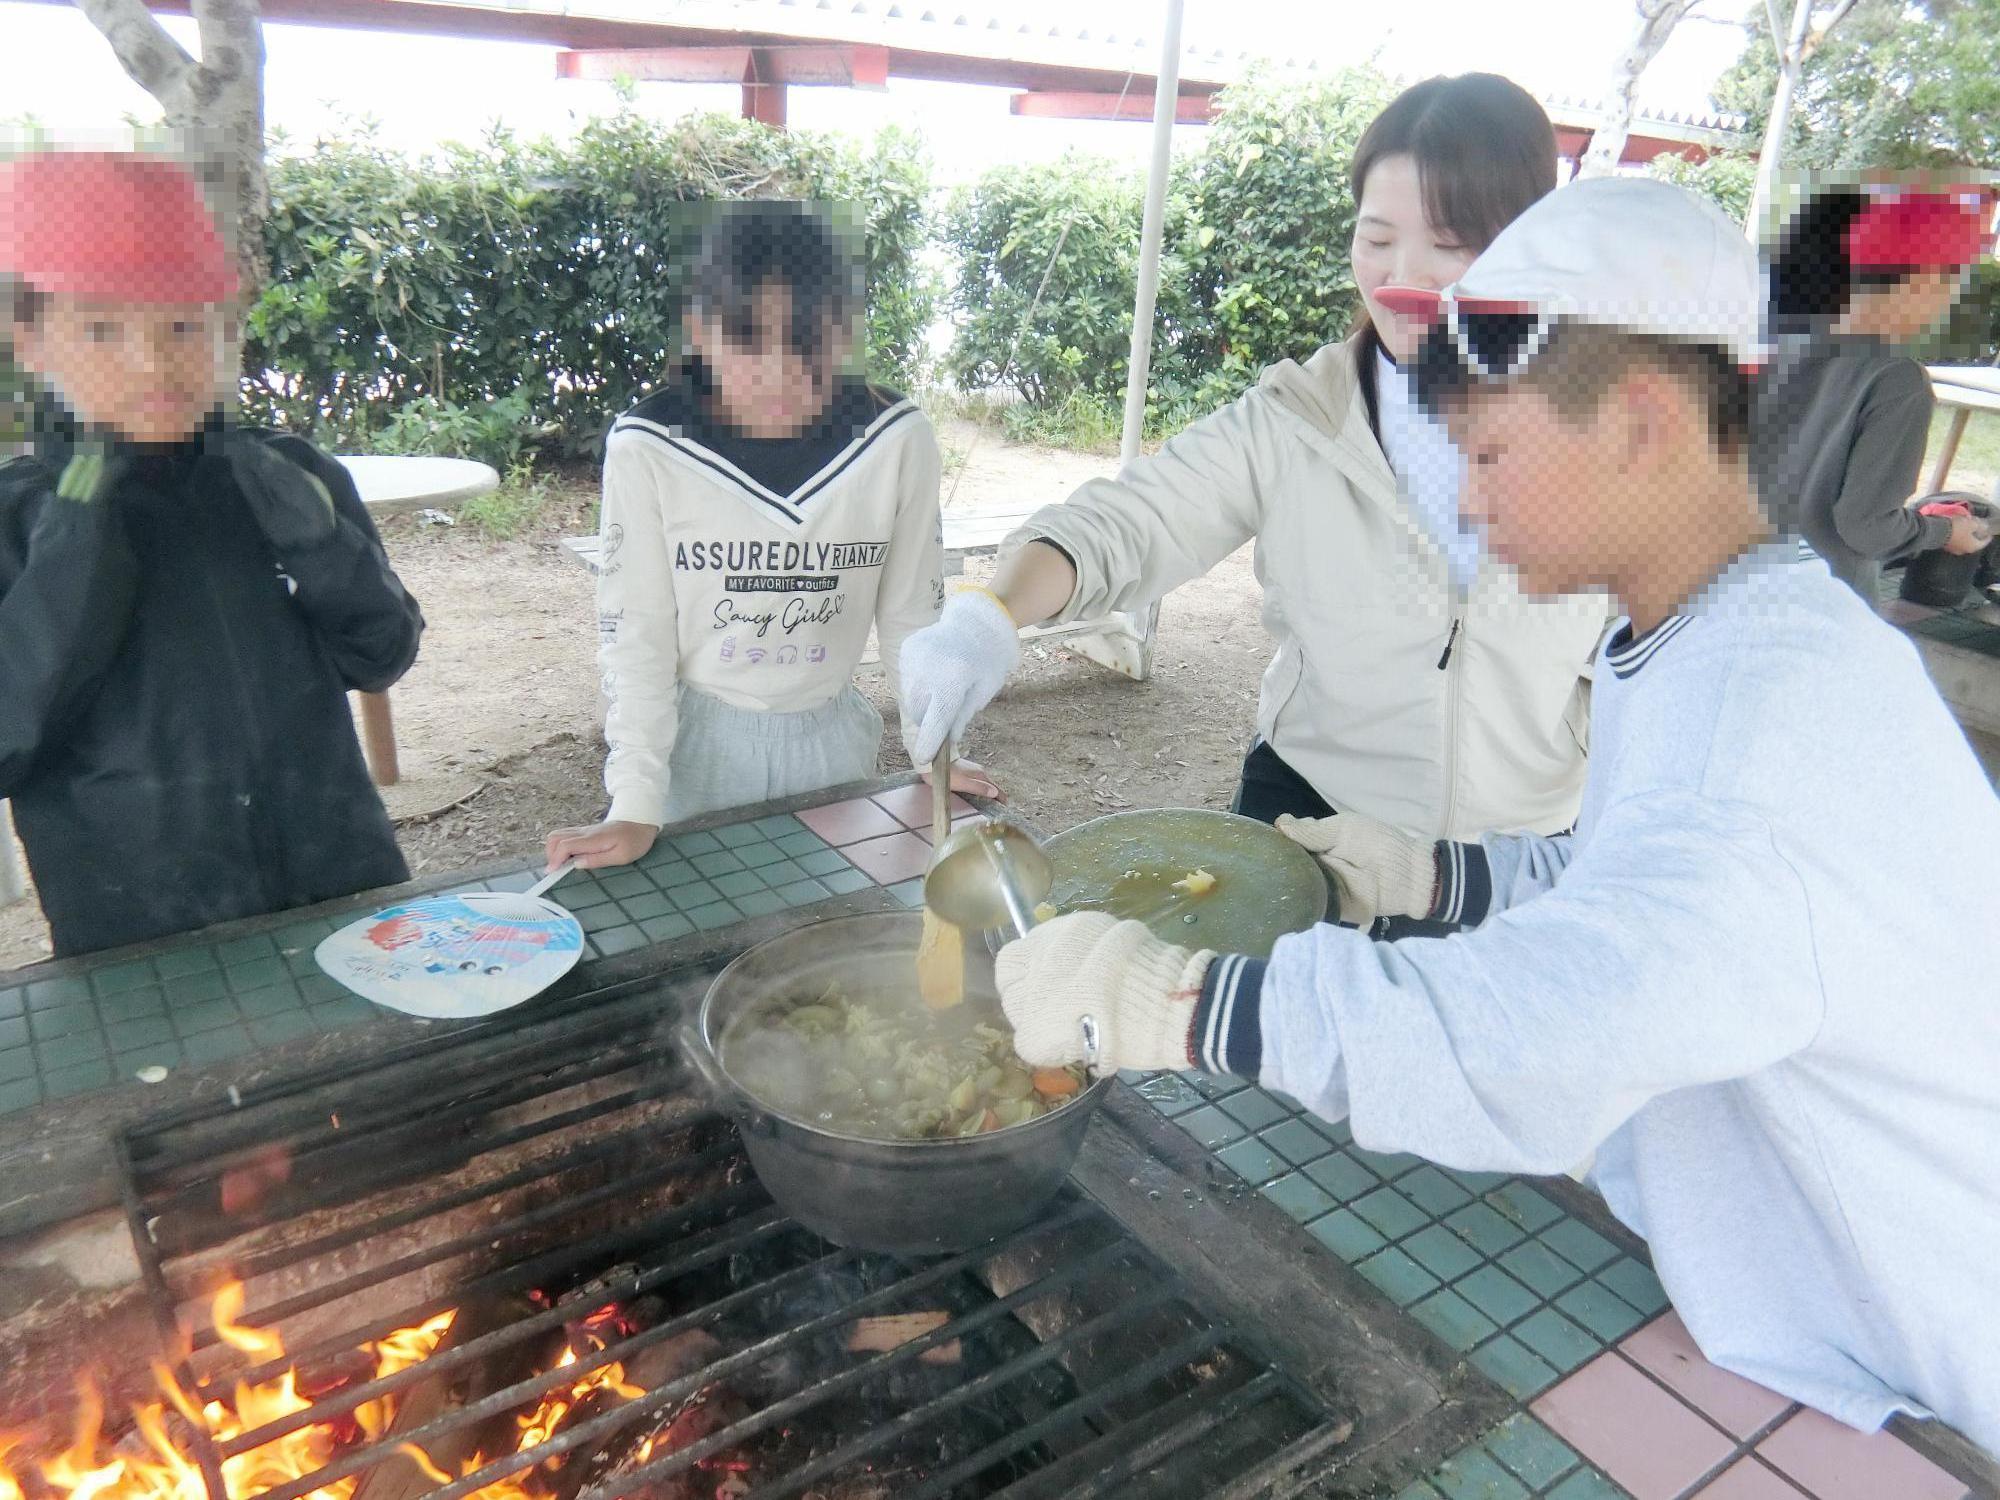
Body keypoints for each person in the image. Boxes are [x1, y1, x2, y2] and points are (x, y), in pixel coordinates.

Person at [993, 178, 2000, 1452]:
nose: (1464, 505)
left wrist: (1186, 1005)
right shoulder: (1730, 629)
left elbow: (1547, 1035)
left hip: (1919, 1369)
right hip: (1783, 1284)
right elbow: (1636, 892)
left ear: (1636, 421)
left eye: (1486, 455)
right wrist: (1429, 879)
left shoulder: (1752, 720)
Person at [898, 74, 1610, 938]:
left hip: (1513, 860)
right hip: (1312, 828)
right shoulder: (1298, 419)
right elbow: (1134, 519)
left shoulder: (1609, 439)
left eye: (1449, 244)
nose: (1402, 278)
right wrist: (990, 614)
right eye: (1376, 238)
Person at [0, 149, 423, 957]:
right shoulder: (16, 517)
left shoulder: (286, 474)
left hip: (343, 875)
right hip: (139, 919)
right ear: (31, 340)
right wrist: (75, 541)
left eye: (185, 325)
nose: (155, 360)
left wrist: (322, 542)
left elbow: (383, 654)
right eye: (99, 328)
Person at [545, 201, 980, 874]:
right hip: (698, 751)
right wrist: (634, 798)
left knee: (829, 941)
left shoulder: (897, 438)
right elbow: (638, 634)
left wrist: (934, 750)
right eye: (746, 340)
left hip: (833, 737)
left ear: (849, 332)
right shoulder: (650, 446)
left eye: (811, 342)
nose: (781, 373)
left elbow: (911, 616)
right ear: (698, 332)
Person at [1754, 183, 1994, 599]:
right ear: (1924, 278)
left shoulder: (1773, 342)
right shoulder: (1897, 381)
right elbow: (1865, 527)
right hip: (1814, 603)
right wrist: (1942, 531)